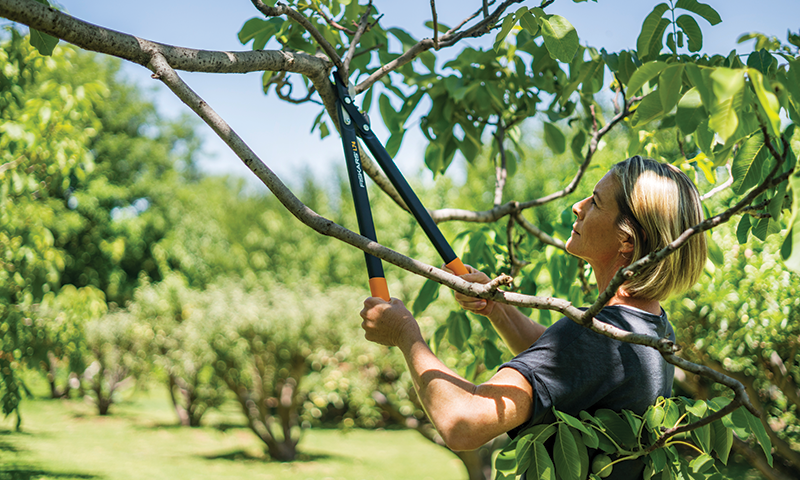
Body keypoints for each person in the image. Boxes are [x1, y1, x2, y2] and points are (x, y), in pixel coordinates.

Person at [360, 156, 707, 478]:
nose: (578, 206)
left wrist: (406, 334)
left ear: (628, 241)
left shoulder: (593, 336)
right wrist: (497, 309)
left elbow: (462, 424)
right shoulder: (651, 327)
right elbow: (567, 370)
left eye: (596, 202)